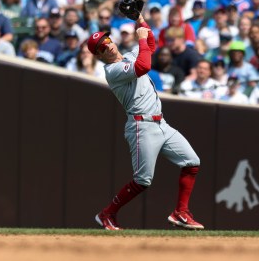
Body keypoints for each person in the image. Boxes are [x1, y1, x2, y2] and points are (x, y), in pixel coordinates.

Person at [87, 13, 203, 230]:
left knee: (192, 162)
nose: (108, 47)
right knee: (143, 180)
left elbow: (151, 43)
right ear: (99, 55)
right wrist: (141, 38)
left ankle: (181, 212)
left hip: (161, 123)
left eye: (107, 41)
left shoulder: (129, 55)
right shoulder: (112, 71)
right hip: (141, 126)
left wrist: (140, 19)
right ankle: (107, 214)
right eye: (102, 48)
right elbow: (144, 66)